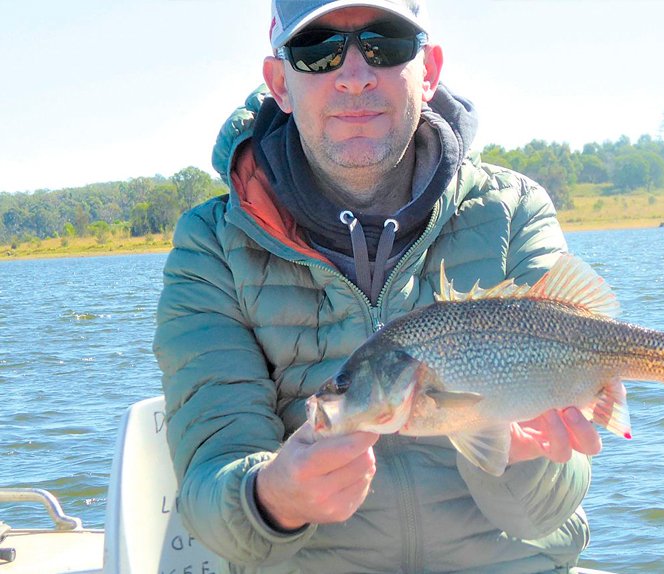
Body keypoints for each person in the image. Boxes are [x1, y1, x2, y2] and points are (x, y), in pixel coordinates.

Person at [154, 1, 601, 572]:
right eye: (317, 50)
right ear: (279, 84)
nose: (355, 75)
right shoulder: (210, 245)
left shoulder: (515, 212)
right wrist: (272, 500)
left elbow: (546, 514)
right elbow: (209, 493)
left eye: (384, 44)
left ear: (430, 69)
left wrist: (523, 459)